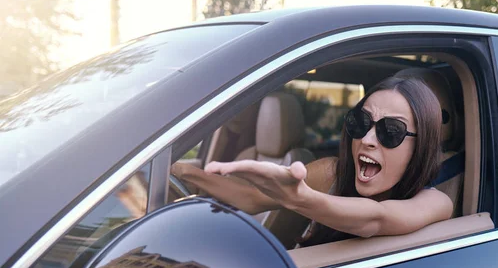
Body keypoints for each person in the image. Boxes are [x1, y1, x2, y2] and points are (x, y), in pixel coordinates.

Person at [171, 76, 453, 246]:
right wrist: (180, 171)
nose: (367, 139)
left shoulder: (436, 203)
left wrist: (300, 199)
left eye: (391, 131)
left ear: (422, 145)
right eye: (361, 122)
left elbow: (376, 220)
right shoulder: (332, 172)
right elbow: (250, 198)